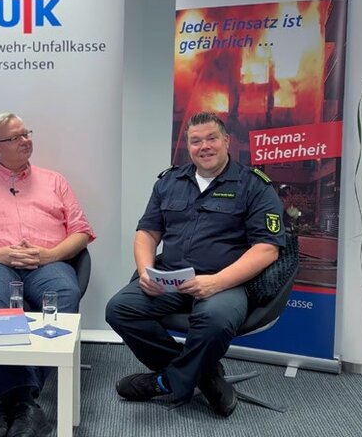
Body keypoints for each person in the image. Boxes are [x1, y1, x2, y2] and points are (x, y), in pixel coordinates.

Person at [105, 111, 285, 417]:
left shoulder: (254, 185)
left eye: (212, 138)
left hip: (225, 283)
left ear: (226, 141)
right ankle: (204, 374)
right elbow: (147, 233)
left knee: (215, 320)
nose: (205, 146)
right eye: (196, 141)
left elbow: (267, 249)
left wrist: (216, 282)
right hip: (171, 277)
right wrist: (146, 270)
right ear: (188, 146)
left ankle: (165, 382)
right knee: (119, 309)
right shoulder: (169, 182)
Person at [0, 112, 95, 437]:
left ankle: (13, 398)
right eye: (16, 137)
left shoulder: (55, 182)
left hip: (47, 262)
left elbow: (81, 231)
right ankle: (22, 401)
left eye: (26, 134)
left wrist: (51, 254)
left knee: (65, 294)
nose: (26, 141)